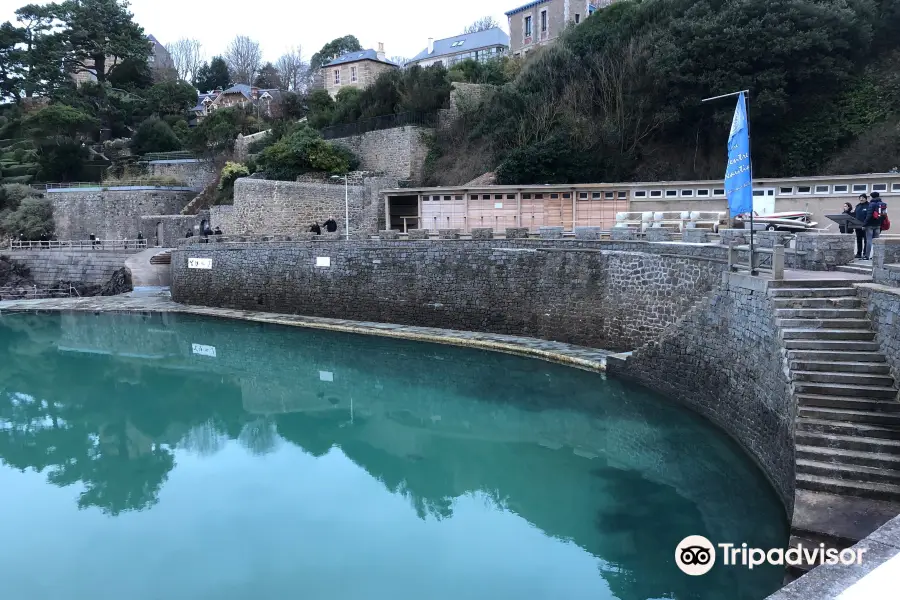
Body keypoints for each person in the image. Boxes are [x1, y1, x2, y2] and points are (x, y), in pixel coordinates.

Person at [853, 194, 870, 259]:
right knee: (859, 240)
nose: (861, 199)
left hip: (866, 226)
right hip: (857, 226)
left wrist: (865, 224)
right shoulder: (857, 206)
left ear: (866, 198)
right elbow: (854, 215)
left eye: (863, 198)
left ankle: (865, 253)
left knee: (866, 240)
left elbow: (869, 216)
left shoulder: (868, 205)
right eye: (860, 198)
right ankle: (858, 253)